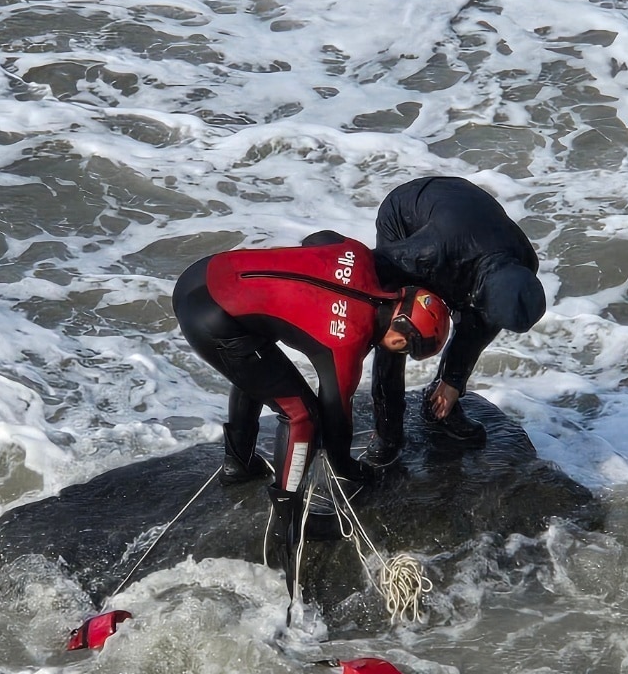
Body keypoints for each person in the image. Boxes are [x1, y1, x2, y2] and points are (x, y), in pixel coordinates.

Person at [172, 231, 451, 597]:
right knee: (301, 415)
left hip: (208, 273)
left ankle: (238, 464)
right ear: (399, 339)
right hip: (212, 319)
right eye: (406, 350)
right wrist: (351, 470)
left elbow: (315, 239)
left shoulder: (358, 255)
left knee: (262, 368)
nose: (398, 354)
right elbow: (334, 418)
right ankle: (287, 527)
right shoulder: (347, 344)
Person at [365, 176, 546, 463]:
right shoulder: (427, 253)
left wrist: (453, 381)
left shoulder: (524, 263)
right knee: (397, 327)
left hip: (465, 218)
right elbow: (368, 268)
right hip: (407, 213)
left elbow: (481, 326)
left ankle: (440, 402)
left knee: (477, 322)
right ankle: (388, 430)